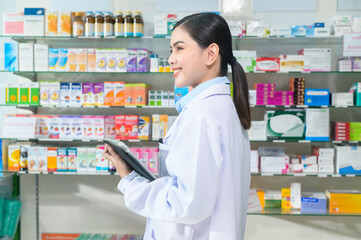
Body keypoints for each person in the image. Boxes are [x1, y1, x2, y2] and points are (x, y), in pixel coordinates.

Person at [103, 12, 251, 240]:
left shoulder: (203, 115)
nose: (171, 58)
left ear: (211, 53)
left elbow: (185, 203)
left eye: (179, 48)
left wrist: (129, 180)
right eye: (171, 50)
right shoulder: (220, 107)